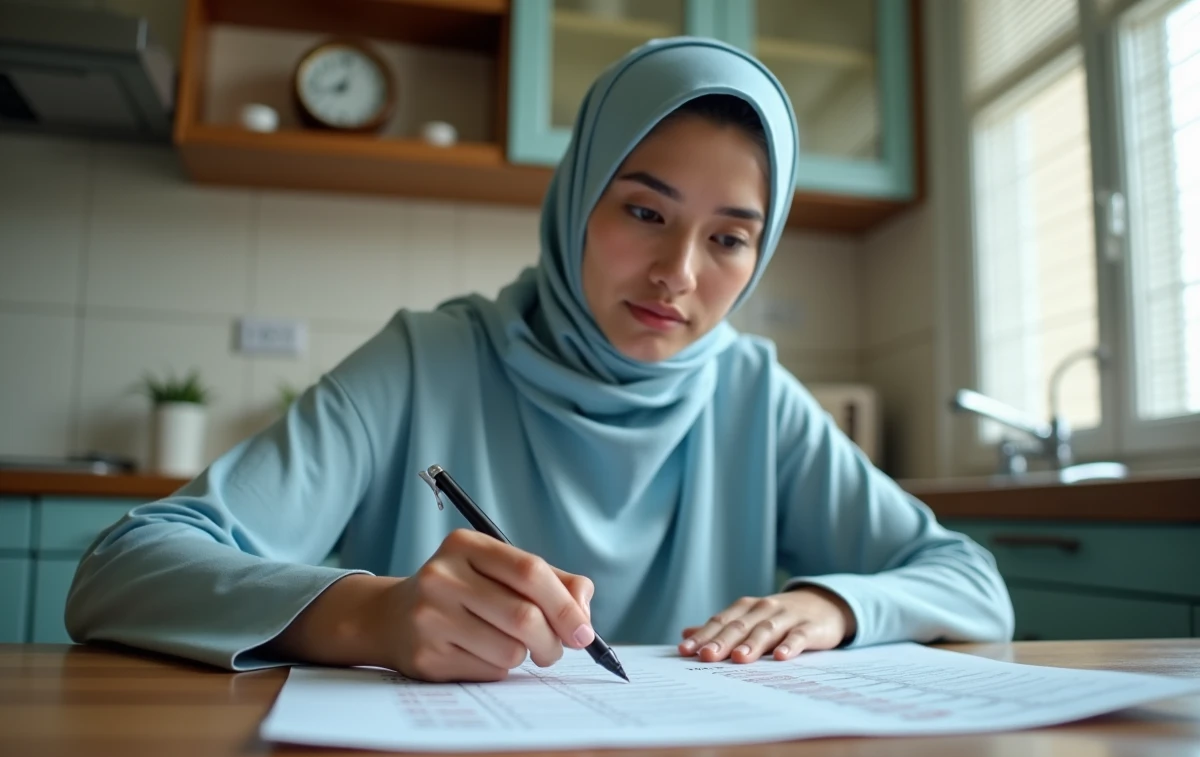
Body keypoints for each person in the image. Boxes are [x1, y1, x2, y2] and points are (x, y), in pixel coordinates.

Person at [65, 37, 1013, 682]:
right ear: (577, 203)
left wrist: (834, 606)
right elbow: (120, 570)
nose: (679, 274)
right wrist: (368, 616)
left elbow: (970, 580)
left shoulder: (752, 392)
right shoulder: (426, 361)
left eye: (729, 238)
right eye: (643, 211)